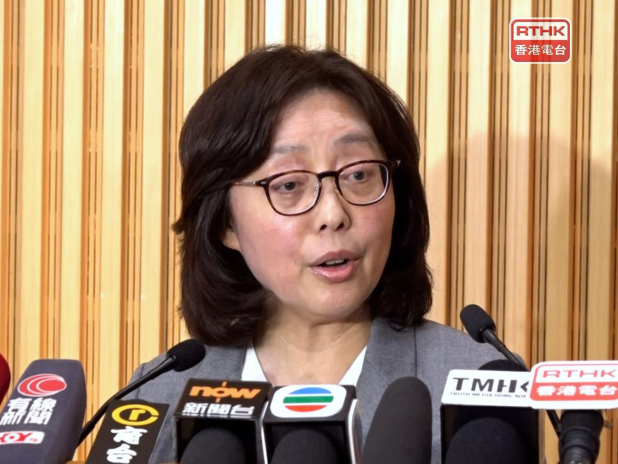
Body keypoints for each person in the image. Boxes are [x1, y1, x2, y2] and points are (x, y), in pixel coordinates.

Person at [125, 44, 500, 463]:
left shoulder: (477, 390)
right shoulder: (156, 396)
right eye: (289, 184)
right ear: (225, 223)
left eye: (359, 174)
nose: (333, 214)